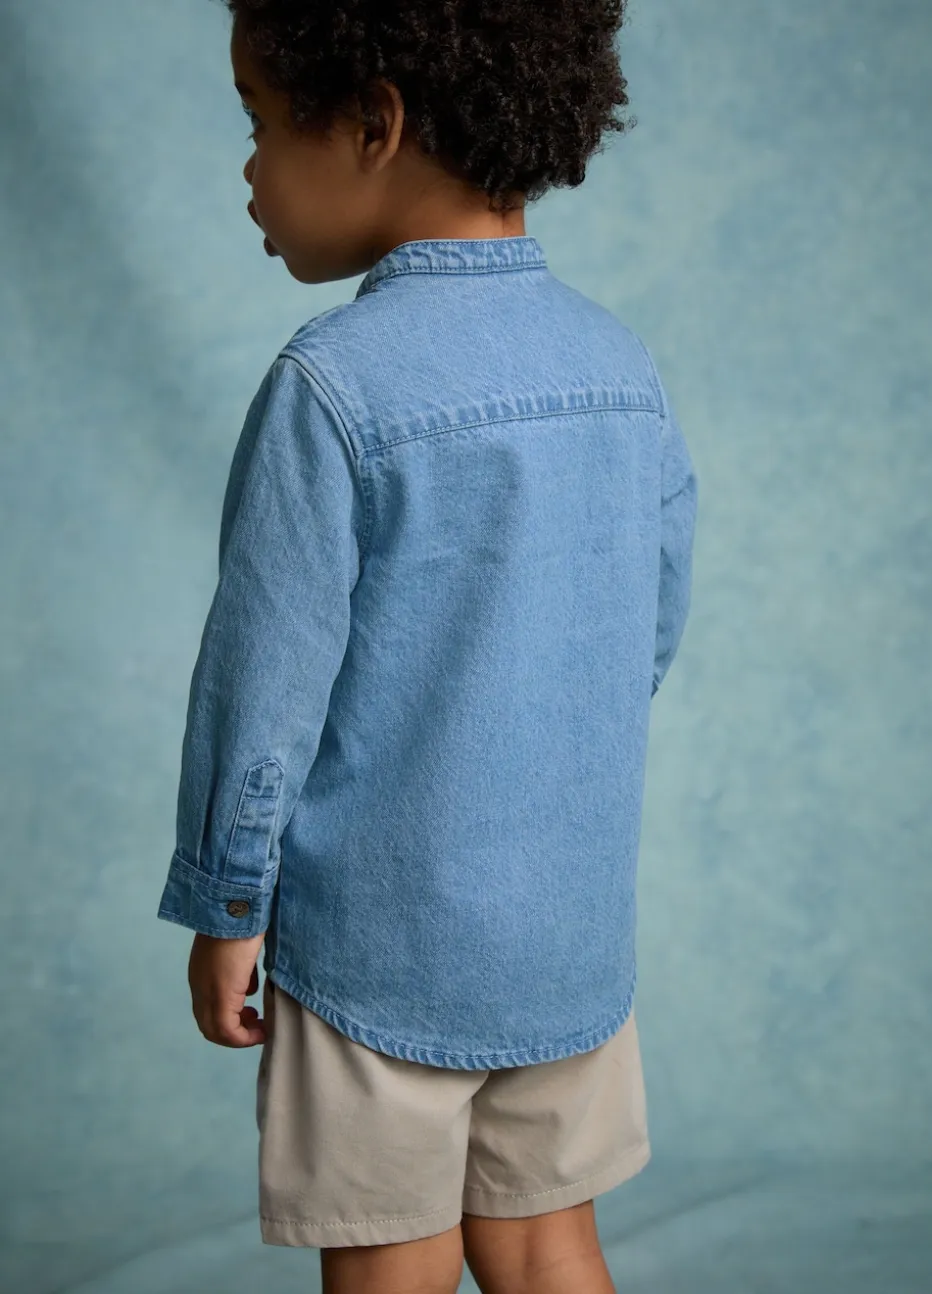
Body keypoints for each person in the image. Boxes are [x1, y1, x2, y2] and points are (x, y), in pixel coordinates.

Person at [157, 2, 698, 1291]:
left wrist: (229, 904)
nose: (248, 166)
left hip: (377, 947)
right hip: (567, 934)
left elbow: (264, 686)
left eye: (258, 121)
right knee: (548, 1241)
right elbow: (648, 625)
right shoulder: (619, 368)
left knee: (391, 1258)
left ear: (373, 124)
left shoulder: (333, 386)